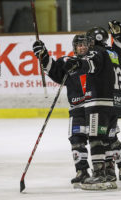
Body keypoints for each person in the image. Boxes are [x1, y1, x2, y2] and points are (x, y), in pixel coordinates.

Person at [32, 34, 91, 189]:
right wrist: (43, 55)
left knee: (101, 141)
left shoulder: (96, 61)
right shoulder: (68, 62)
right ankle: (82, 171)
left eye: (85, 44)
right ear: (74, 48)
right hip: (77, 109)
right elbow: (54, 71)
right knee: (76, 139)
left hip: (95, 107)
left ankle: (108, 170)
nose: (82, 47)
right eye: (79, 45)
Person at [84, 23, 121, 188]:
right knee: (108, 138)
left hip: (99, 102)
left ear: (95, 40)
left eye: (89, 40)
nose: (87, 44)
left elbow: (88, 63)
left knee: (96, 137)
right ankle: (111, 174)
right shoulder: (112, 54)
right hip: (115, 104)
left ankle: (99, 175)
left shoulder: (96, 52)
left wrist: (74, 65)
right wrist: (120, 35)